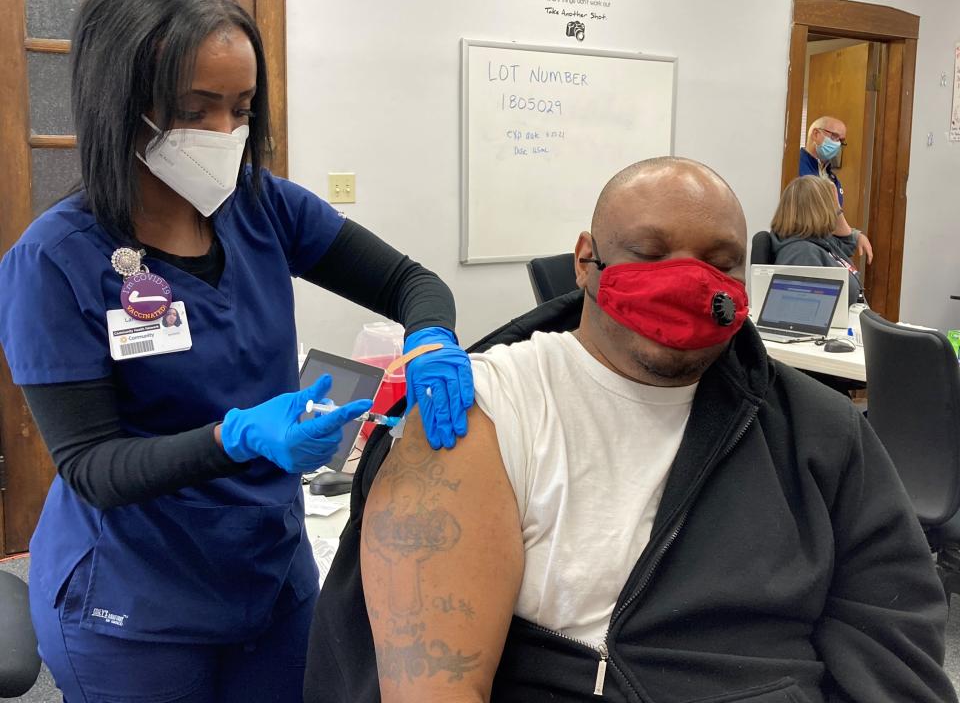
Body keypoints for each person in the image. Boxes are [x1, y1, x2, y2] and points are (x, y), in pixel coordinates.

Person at [305, 157, 956, 703]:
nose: (687, 282)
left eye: (720, 262)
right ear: (586, 261)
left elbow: (892, 651)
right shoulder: (488, 411)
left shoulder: (824, 438)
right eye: (649, 254)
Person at [0, 0, 473, 700]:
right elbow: (93, 466)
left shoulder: (262, 208)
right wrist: (235, 438)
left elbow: (411, 281)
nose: (224, 131)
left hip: (268, 573)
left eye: (242, 108)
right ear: (117, 98)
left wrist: (433, 338)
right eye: (194, 110)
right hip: (132, 602)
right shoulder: (56, 261)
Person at [769, 175, 865, 305]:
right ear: (818, 210)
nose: (835, 211)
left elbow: (848, 242)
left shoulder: (821, 241)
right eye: (832, 206)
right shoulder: (802, 253)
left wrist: (836, 208)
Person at [800, 116, 873, 264]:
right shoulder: (795, 167)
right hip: (805, 249)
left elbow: (833, 221)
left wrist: (855, 235)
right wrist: (851, 235)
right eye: (834, 136)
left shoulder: (832, 179)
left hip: (825, 248)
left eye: (841, 141)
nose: (838, 144)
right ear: (815, 134)